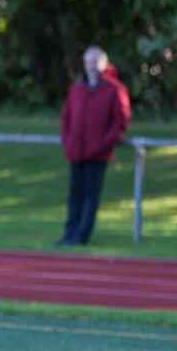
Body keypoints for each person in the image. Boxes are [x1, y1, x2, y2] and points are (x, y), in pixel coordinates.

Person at [56, 45, 131, 246]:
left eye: (95, 61)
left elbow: (121, 121)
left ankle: (81, 235)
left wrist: (105, 143)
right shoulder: (77, 89)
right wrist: (68, 140)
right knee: (74, 194)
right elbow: (66, 118)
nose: (91, 66)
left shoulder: (114, 89)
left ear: (104, 64)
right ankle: (69, 233)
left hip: (97, 153)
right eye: (88, 62)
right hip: (76, 151)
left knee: (90, 194)